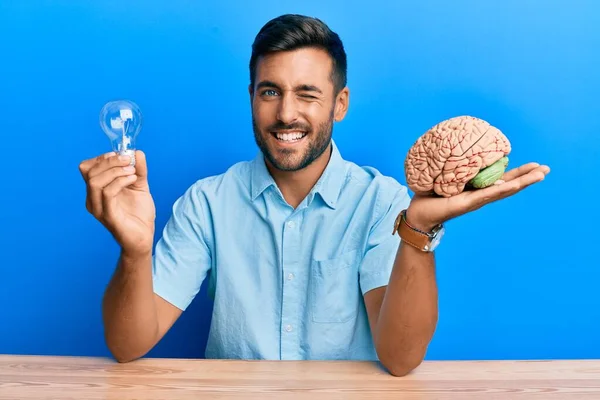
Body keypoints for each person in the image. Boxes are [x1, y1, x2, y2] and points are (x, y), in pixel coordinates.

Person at [78, 14, 550, 376]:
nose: (286, 114)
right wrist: (135, 251)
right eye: (270, 92)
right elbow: (127, 345)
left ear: (339, 104)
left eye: (307, 94)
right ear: (251, 98)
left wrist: (418, 228)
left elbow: (401, 359)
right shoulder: (207, 202)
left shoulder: (383, 203)